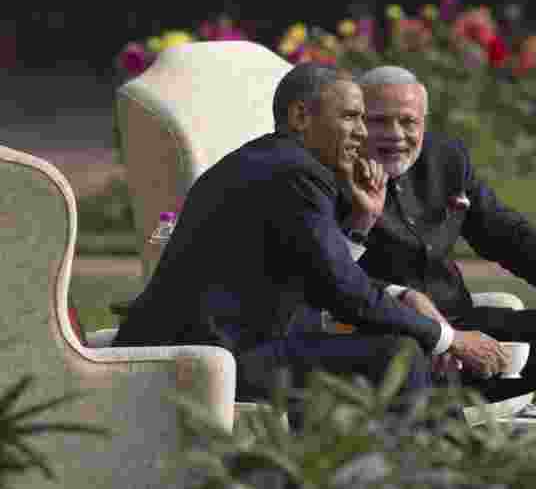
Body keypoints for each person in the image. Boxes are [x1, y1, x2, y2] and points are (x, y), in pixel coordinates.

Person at [112, 63, 509, 416]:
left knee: (392, 347)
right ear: (301, 116)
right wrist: (449, 338)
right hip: (206, 360)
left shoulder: (273, 162)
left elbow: (319, 273)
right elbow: (343, 293)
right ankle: (444, 472)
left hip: (224, 350)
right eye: (352, 117)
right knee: (396, 354)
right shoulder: (295, 173)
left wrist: (361, 222)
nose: (361, 132)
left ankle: (431, 468)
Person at [344, 65, 536, 401]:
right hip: (391, 336)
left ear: (424, 122)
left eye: (408, 121)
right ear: (357, 123)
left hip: (462, 323)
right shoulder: (335, 175)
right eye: (379, 121)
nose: (396, 134)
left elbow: (510, 236)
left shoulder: (447, 160)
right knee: (407, 360)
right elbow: (334, 274)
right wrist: (438, 337)